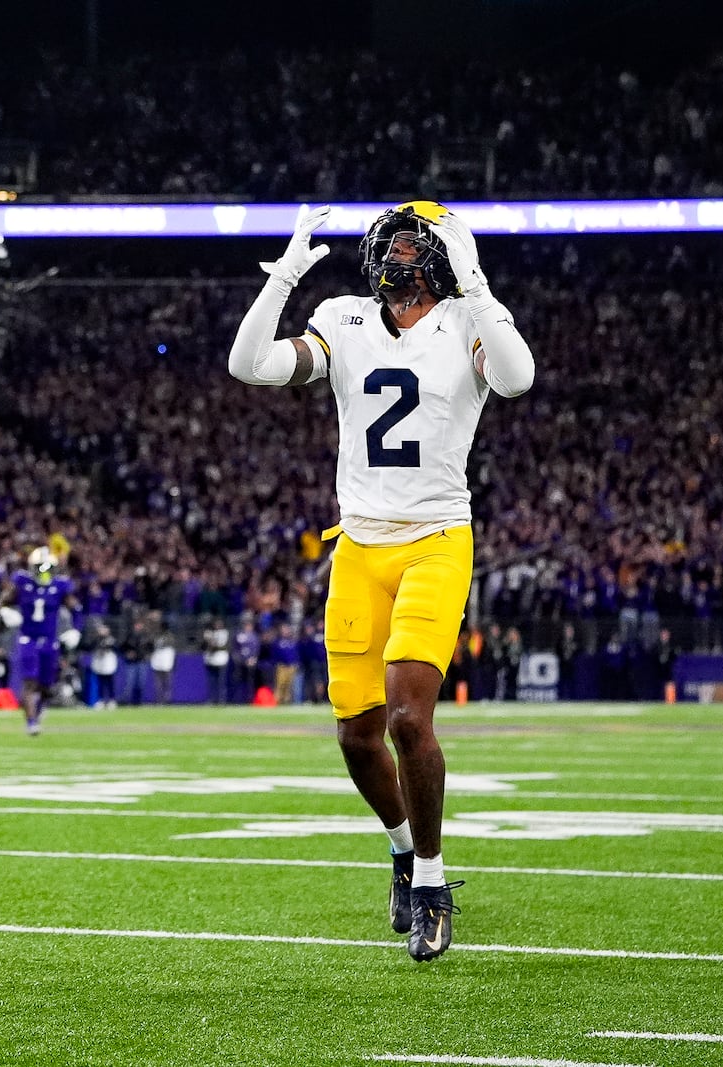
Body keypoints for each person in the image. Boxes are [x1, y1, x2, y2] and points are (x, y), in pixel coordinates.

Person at [227, 201, 534, 961]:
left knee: (406, 718)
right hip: (359, 545)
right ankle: (402, 849)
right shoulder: (345, 317)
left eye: (412, 243)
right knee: (357, 734)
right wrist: (284, 281)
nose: (396, 255)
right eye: (389, 243)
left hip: (436, 539)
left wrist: (477, 280)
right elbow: (250, 365)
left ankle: (431, 882)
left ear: (441, 257)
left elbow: (520, 378)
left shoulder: (469, 320)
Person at [0, 547, 77, 734]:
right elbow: (0, 602)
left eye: (48, 567)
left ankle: (38, 711)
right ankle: (31, 722)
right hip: (28, 639)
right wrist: (5, 611)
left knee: (47, 685)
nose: (44, 571)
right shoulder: (22, 582)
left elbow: (76, 608)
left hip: (50, 640)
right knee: (29, 682)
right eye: (41, 567)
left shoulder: (60, 585)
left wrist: (74, 630)